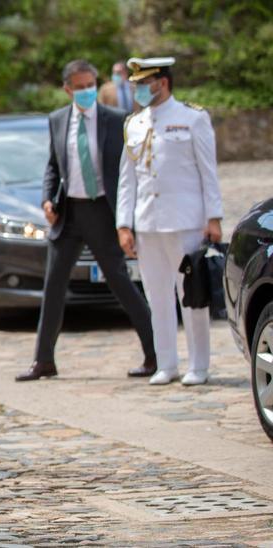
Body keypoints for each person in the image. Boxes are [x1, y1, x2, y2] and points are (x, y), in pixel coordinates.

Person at [16, 59, 157, 382]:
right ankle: (44, 361)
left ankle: (154, 353)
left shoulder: (116, 120)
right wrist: (47, 199)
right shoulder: (57, 120)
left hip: (101, 211)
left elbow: (128, 170)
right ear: (68, 89)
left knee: (120, 282)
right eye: (79, 87)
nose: (86, 92)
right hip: (69, 214)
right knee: (53, 287)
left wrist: (127, 216)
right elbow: (53, 166)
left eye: (89, 85)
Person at [117, 56, 223, 386]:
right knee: (157, 296)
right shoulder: (133, 124)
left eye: (142, 84)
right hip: (148, 223)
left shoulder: (192, 118)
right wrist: (124, 223)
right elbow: (127, 179)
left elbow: (209, 172)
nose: (136, 90)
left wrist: (214, 217)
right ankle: (167, 363)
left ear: (161, 83)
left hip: (186, 221)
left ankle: (199, 365)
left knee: (191, 295)